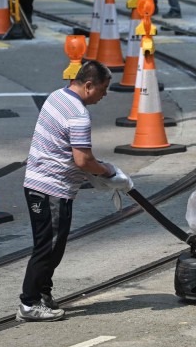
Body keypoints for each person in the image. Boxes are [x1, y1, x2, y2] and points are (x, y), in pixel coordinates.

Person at [17, 60, 132, 322]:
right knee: (49, 248)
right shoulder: (79, 115)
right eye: (103, 90)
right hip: (52, 190)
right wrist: (109, 172)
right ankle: (29, 303)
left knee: (48, 245)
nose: (104, 96)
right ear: (89, 85)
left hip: (35, 183)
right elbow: (83, 161)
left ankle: (43, 295)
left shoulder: (56, 96)